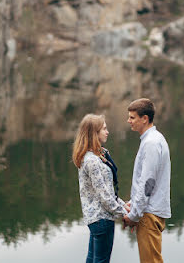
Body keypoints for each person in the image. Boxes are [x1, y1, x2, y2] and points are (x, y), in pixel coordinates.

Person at [72, 114, 129, 263]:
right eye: (104, 129)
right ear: (93, 134)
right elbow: (104, 197)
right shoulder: (92, 161)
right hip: (102, 219)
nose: (107, 131)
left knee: (92, 260)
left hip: (97, 220)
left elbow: (106, 191)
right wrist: (125, 214)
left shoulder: (96, 156)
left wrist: (123, 205)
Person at [123, 98, 171, 263]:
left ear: (145, 118)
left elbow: (148, 184)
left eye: (132, 117)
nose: (128, 121)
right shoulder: (154, 139)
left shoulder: (151, 143)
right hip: (148, 210)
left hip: (148, 213)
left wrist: (134, 215)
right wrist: (132, 203)